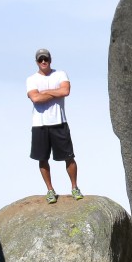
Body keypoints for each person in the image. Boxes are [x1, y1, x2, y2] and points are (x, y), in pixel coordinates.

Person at [26, 48, 83, 204]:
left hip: (59, 122)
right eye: (40, 59)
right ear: (37, 62)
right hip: (40, 124)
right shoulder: (31, 79)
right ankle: (50, 190)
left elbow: (65, 91)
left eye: (46, 59)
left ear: (50, 60)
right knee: (42, 158)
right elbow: (36, 98)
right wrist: (54, 92)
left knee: (69, 157)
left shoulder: (60, 74)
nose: (43, 62)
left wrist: (46, 92)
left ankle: (74, 187)